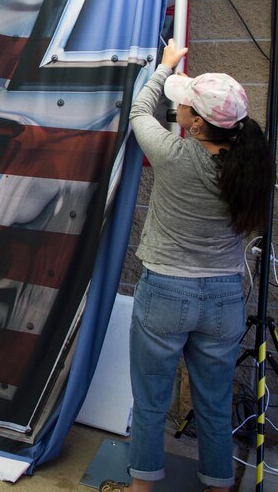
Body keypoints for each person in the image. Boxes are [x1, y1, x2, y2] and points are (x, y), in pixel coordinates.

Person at [100, 39, 274, 492]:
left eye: (184, 105)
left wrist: (164, 67)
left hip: (166, 292)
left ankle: (141, 488)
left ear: (196, 124)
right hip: (224, 299)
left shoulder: (174, 156)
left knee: (151, 400)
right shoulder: (252, 168)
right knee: (214, 404)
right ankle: (218, 485)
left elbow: (139, 111)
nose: (176, 108)